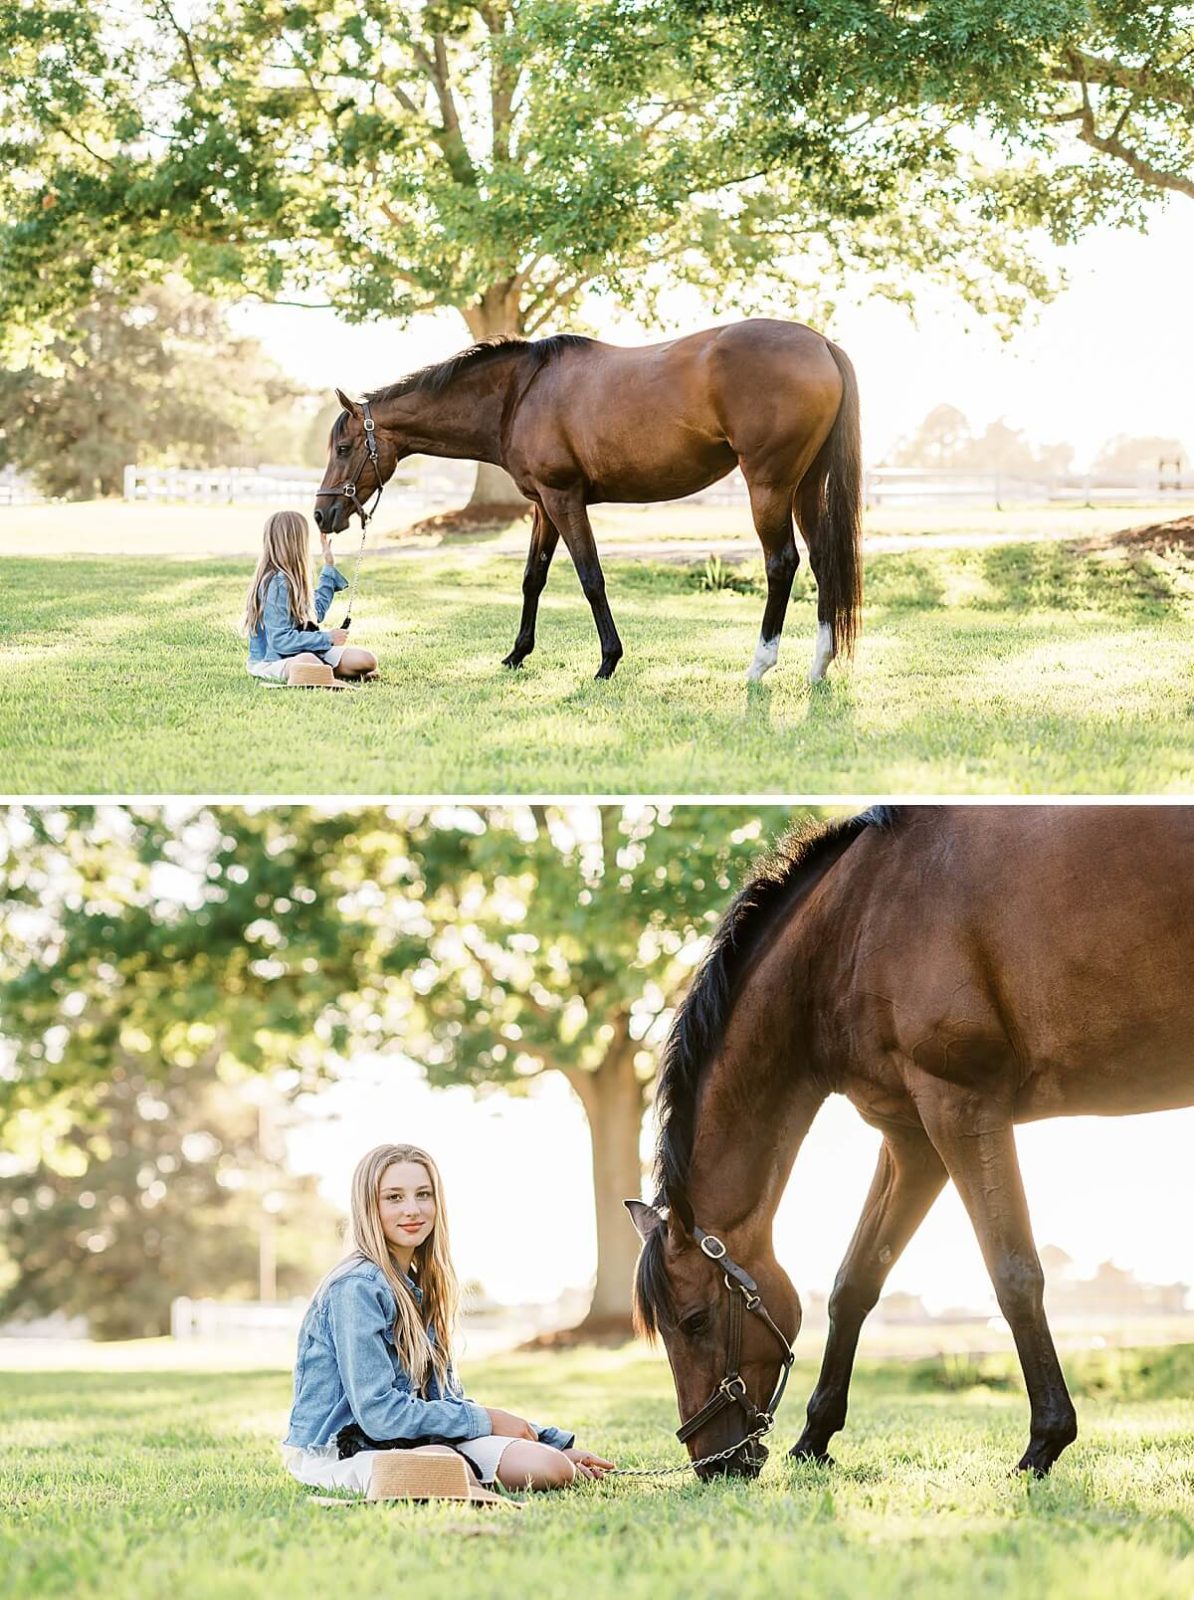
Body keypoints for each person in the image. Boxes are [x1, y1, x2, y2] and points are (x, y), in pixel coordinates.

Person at [282, 1142, 615, 1496]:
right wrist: (486, 1419)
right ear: (369, 1207)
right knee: (444, 1464)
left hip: (414, 1440)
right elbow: (379, 1416)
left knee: (548, 1467)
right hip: (343, 1449)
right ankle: (447, 1476)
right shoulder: (356, 1288)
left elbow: (445, 1399)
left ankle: (452, 1470)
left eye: (423, 1194)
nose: (412, 1209)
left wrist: (554, 1445)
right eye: (394, 1197)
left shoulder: (422, 1285)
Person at [242, 509, 378, 685]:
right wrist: (327, 638)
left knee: (366, 660)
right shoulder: (275, 583)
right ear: (295, 542)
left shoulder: (296, 578)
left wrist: (329, 565)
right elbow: (279, 641)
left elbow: (316, 613)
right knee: (308, 660)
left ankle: (323, 672)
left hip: (309, 652)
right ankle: (325, 673)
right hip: (275, 660)